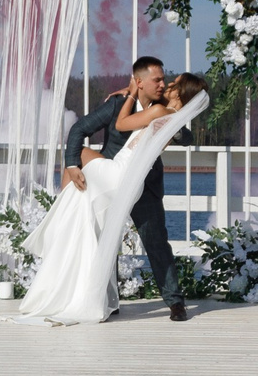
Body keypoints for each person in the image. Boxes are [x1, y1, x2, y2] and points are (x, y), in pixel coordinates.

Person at [28, 72, 211, 326]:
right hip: (121, 174)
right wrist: (128, 98)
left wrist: (132, 97)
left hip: (129, 179)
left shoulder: (160, 111)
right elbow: (80, 128)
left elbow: (125, 125)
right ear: (142, 80)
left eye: (170, 83)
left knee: (156, 241)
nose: (164, 84)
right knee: (104, 236)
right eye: (158, 81)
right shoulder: (128, 104)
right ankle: (104, 299)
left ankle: (175, 301)